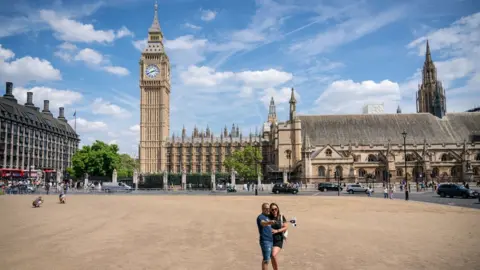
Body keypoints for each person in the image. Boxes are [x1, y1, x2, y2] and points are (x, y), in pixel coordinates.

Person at [257, 203, 276, 270]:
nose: (268, 210)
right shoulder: (261, 217)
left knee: (268, 258)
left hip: (270, 241)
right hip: (265, 241)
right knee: (266, 260)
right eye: (266, 208)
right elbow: (263, 223)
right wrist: (269, 222)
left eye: (269, 208)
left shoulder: (268, 217)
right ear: (262, 209)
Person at [269, 203, 288, 270]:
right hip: (269, 240)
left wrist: (277, 231)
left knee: (273, 255)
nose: (274, 211)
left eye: (276, 209)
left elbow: (286, 227)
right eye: (272, 209)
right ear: (270, 210)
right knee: (271, 256)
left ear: (278, 209)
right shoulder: (268, 217)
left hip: (278, 239)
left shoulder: (281, 217)